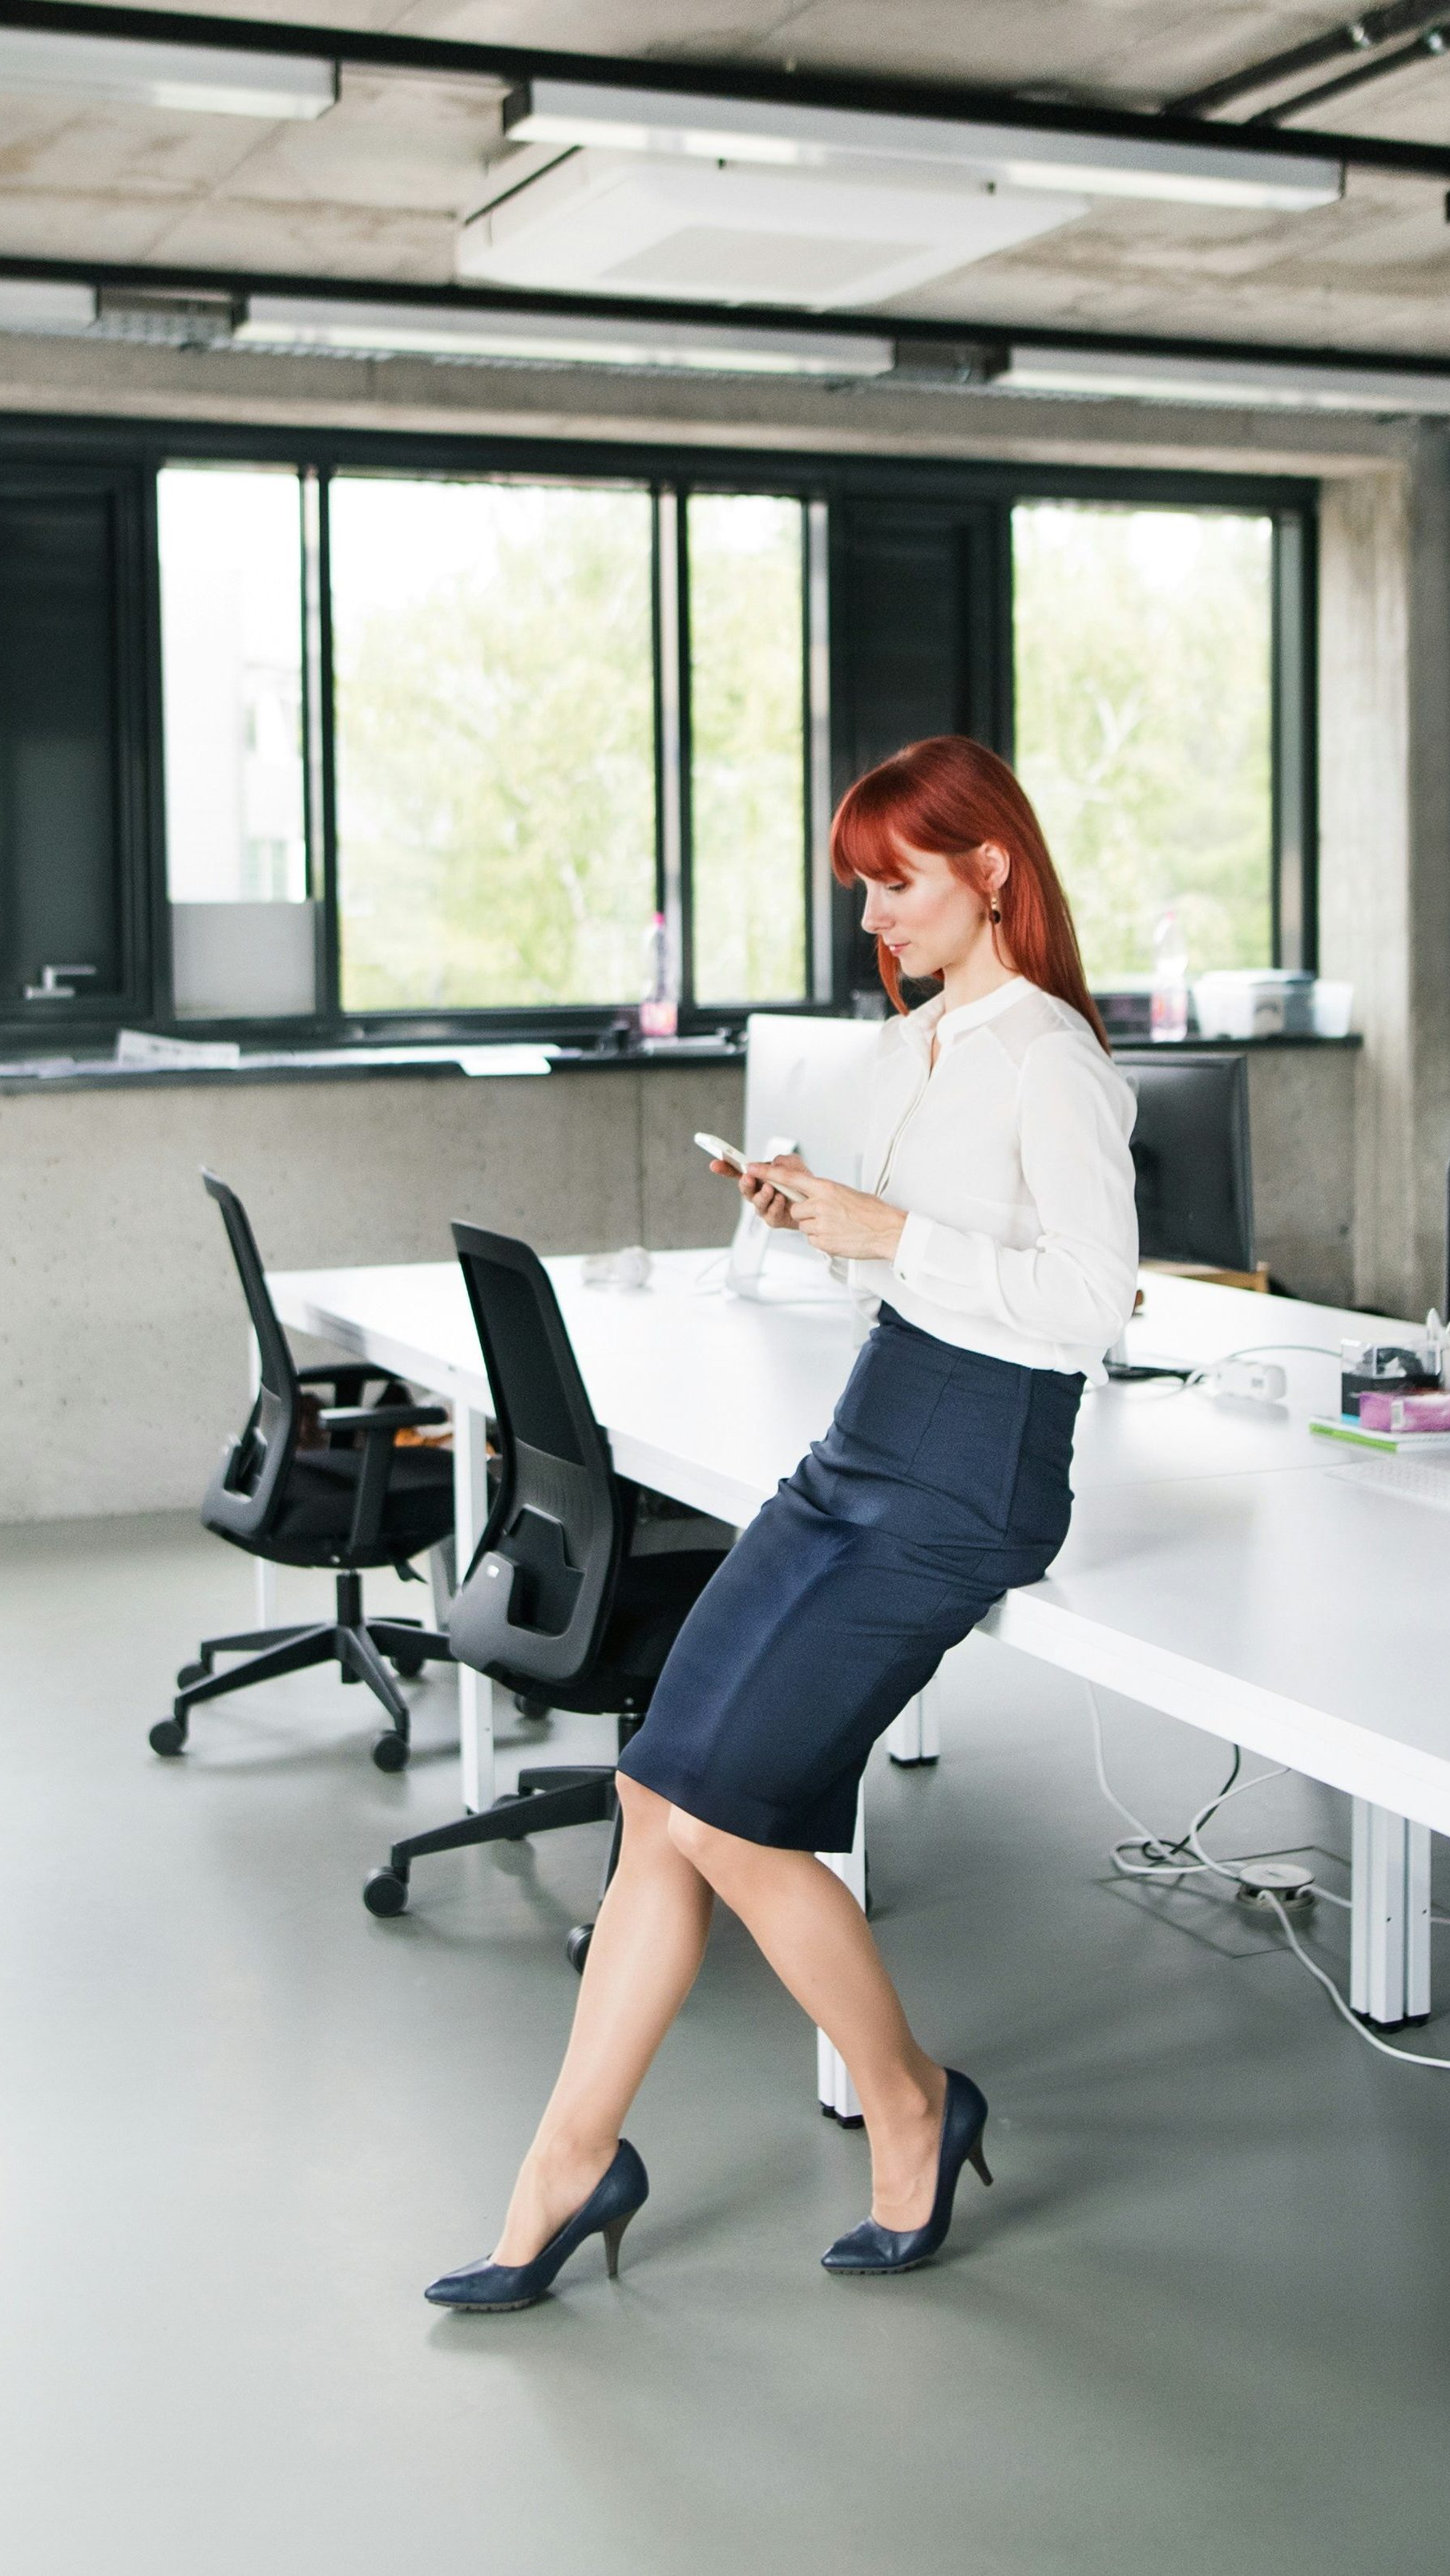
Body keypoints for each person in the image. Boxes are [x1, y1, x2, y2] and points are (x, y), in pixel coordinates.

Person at [425, 735, 1140, 2311]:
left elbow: (1091, 1304)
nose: (872, 914)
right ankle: (566, 2165)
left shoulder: (1051, 1054)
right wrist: (826, 1225)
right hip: (868, 1434)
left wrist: (897, 1226)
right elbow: (918, 1273)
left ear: (991, 869)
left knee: (732, 1811)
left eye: (897, 882)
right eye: (863, 889)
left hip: (971, 1477)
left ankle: (910, 2099)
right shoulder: (920, 1047)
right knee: (653, 1789)